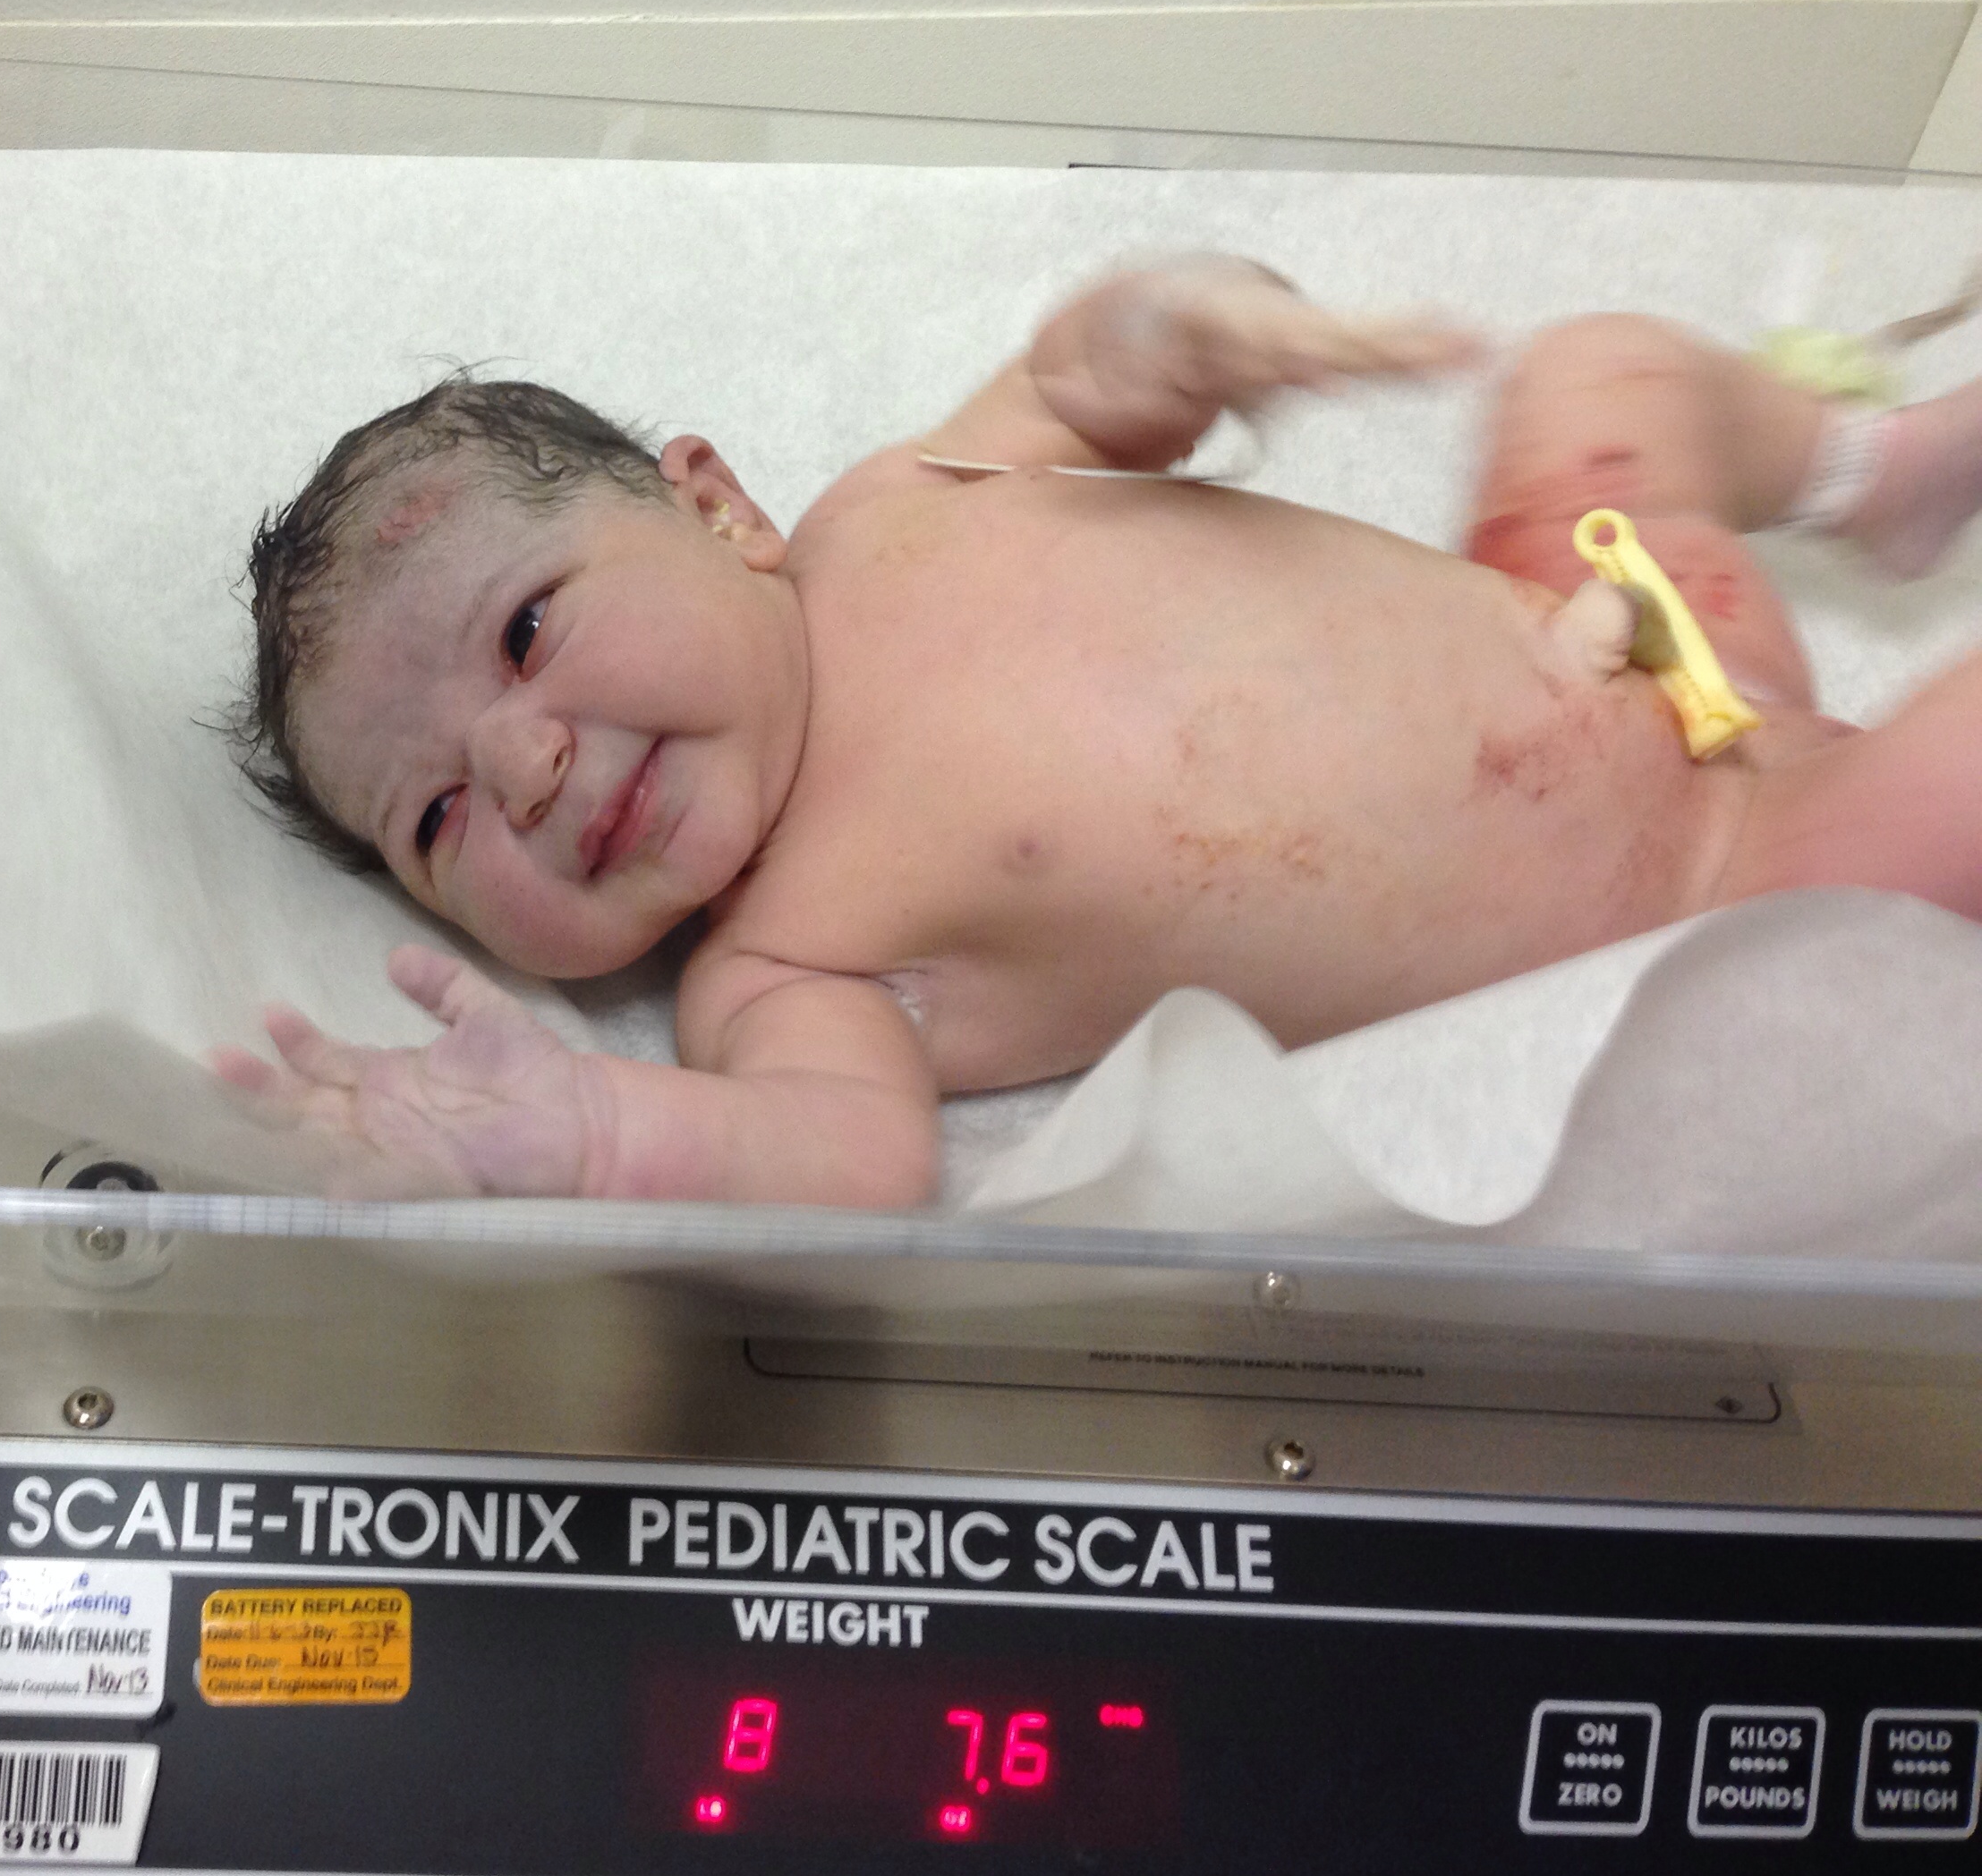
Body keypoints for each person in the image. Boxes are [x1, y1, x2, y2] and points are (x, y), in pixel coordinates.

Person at [212, 257, 1982, 1208]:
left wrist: (1177, 326)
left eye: (528, 632)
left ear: (717, 505)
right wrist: (598, 1135)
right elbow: (850, 1160)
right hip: (1717, 882)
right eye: (434, 822)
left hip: (1609, 605)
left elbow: (1079, 381)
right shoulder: (780, 967)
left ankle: (1884, 470)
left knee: (1597, 373)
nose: (520, 772)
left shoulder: (896, 498)